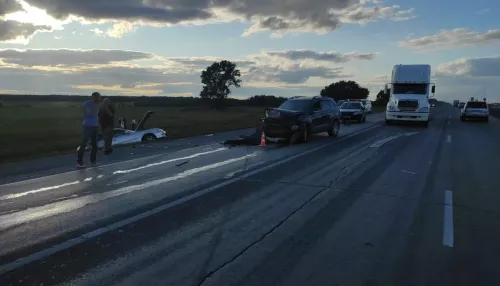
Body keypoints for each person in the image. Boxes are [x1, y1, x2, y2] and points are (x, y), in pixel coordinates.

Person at [77, 92, 101, 168]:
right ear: (93, 97)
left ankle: (93, 161)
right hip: (87, 126)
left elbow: (98, 115)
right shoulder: (87, 103)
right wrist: (96, 106)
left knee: (95, 145)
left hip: (95, 126)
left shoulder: (98, 104)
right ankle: (79, 162)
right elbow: (89, 113)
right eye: (97, 97)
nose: (99, 99)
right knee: (83, 144)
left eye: (99, 97)